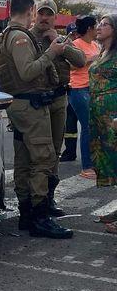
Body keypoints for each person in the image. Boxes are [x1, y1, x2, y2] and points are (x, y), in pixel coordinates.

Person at [0, 0, 73, 239]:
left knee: (25, 158)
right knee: (43, 159)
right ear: (31, 11)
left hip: (21, 105)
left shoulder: (6, 35)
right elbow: (27, 72)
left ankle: (26, 213)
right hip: (30, 106)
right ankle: (39, 216)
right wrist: (52, 53)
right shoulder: (19, 37)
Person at [30, 0, 85, 215]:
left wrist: (58, 43)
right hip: (35, 102)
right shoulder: (26, 37)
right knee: (36, 153)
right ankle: (32, 202)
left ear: (55, 17)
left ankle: (49, 199)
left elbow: (80, 60)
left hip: (58, 100)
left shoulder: (61, 38)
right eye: (41, 14)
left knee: (54, 149)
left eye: (49, 15)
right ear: (34, 14)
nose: (44, 18)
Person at [68, 15, 99, 179]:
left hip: (93, 88)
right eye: (96, 26)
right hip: (79, 89)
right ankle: (86, 166)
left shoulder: (95, 44)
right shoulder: (75, 44)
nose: (98, 29)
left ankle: (96, 163)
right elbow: (71, 66)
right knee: (87, 126)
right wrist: (90, 59)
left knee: (95, 126)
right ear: (89, 28)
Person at [89, 14, 117, 191]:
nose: (98, 27)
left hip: (113, 115)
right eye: (99, 23)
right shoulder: (101, 52)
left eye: (104, 24)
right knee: (109, 159)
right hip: (99, 115)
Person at [61, 23, 80, 162]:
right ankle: (70, 152)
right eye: (72, 34)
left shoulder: (83, 45)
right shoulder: (66, 48)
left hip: (81, 89)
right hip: (70, 89)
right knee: (70, 125)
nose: (75, 36)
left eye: (77, 33)